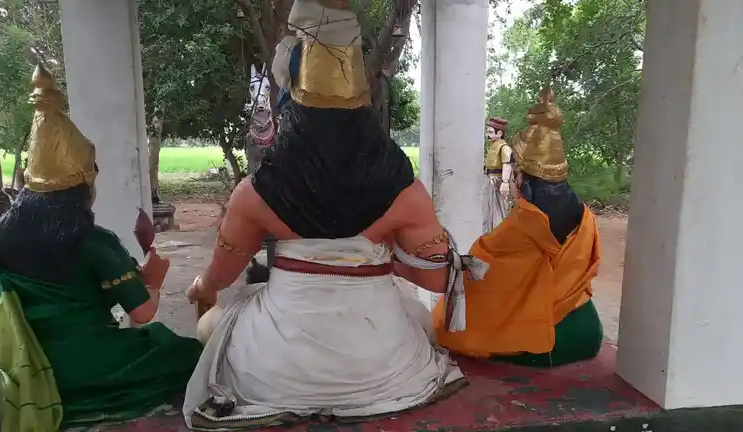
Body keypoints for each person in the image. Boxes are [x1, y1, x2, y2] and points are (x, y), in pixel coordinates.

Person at [181, 0, 484, 429]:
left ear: (292, 104)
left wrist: (200, 288)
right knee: (419, 319)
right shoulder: (406, 192)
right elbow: (437, 279)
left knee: (212, 326)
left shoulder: (254, 194)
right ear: (364, 106)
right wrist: (375, 259)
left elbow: (220, 278)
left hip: (273, 368)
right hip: (384, 367)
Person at [0, 63, 203, 431]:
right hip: (92, 360)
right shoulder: (93, 241)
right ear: (83, 183)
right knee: (184, 352)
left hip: (28, 363)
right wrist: (154, 279)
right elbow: (142, 314)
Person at [434, 87, 603, 367]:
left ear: (523, 178)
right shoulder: (584, 214)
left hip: (545, 339)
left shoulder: (526, 221)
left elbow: (485, 262)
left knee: (449, 324)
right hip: (585, 327)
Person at [482, 117, 513, 233]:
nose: (488, 135)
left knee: (498, 209)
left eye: (490, 132)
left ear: (499, 133)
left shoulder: (504, 148)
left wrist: (505, 182)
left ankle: (498, 232)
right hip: (489, 180)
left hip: (498, 181)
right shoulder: (492, 146)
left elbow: (507, 164)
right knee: (489, 209)